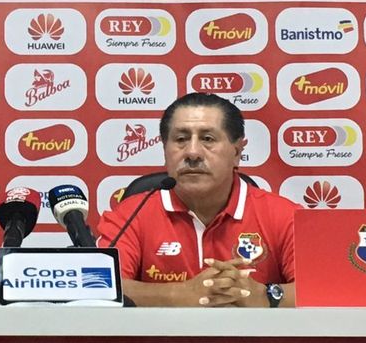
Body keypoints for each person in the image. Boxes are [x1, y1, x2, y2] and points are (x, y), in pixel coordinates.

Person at [98, 92, 298, 307]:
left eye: (207, 139)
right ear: (165, 149)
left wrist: (264, 295)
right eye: (181, 139)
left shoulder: (285, 216)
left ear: (237, 151)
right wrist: (179, 294)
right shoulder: (130, 214)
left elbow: (318, 289)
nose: (192, 153)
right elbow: (100, 287)